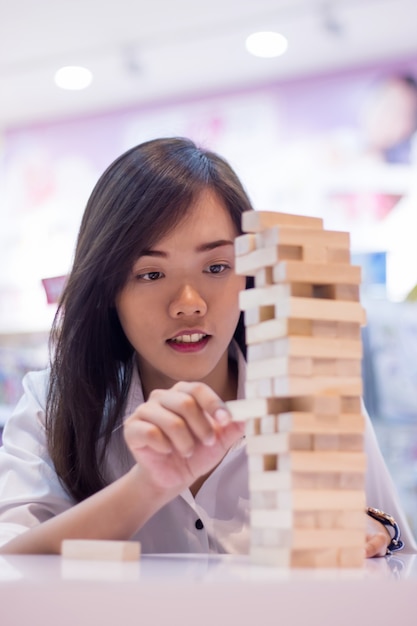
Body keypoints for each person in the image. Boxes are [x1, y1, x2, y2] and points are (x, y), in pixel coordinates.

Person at [0, 137, 414, 557]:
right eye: (150, 274)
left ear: (248, 273)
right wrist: (148, 487)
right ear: (108, 287)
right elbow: (9, 572)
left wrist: (372, 530)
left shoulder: (314, 396)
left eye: (216, 267)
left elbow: (401, 565)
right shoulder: (52, 404)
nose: (188, 304)